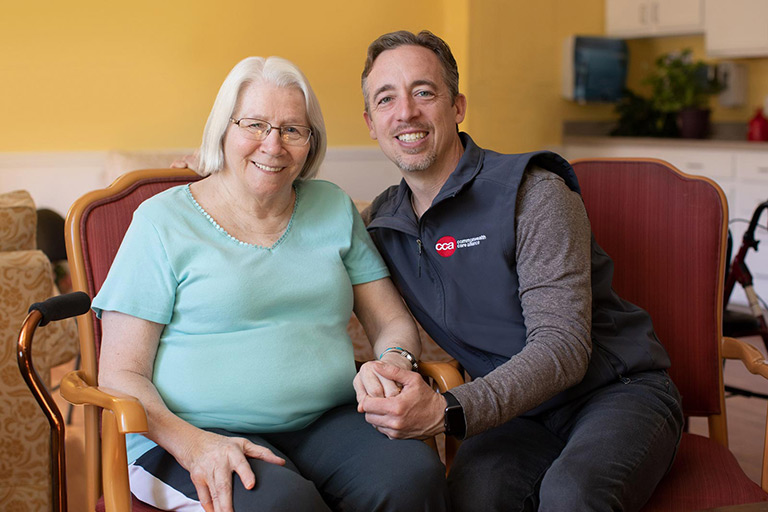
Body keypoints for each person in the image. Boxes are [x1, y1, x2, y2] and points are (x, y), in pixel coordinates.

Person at [93, 56, 448, 512]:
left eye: (292, 130)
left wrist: (393, 360)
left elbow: (391, 320)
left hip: (329, 420)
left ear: (310, 143)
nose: (273, 145)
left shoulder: (333, 207)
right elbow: (121, 373)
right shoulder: (162, 222)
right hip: (188, 434)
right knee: (282, 505)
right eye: (255, 124)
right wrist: (194, 444)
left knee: (411, 479)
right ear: (223, 128)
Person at [353, 30, 684, 512]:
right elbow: (307, 257)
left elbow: (564, 348)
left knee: (573, 496)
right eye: (387, 99)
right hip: (517, 415)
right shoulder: (381, 226)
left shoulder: (534, 193)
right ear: (370, 122)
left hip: (618, 392)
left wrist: (448, 408)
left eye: (424, 91)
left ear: (457, 106)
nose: (406, 112)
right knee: (471, 499)